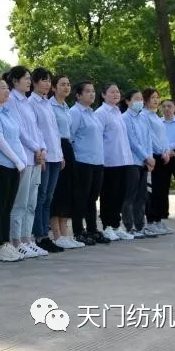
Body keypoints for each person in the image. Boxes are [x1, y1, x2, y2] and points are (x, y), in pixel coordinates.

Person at [0, 77, 28, 262]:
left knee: (7, 206)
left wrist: (22, 160)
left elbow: (16, 139)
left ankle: (5, 242)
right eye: (2, 88)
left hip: (12, 166)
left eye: (8, 88)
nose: (7, 91)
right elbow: (0, 141)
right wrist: (18, 161)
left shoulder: (7, 112)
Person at [5, 66, 46, 258]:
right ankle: (16, 240)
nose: (29, 81)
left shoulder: (27, 102)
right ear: (15, 81)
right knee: (20, 202)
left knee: (31, 202)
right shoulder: (12, 100)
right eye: (26, 78)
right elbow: (19, 131)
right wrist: (36, 148)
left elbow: (37, 129)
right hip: (24, 157)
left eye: (30, 78)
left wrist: (42, 149)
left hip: (36, 157)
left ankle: (27, 239)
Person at [28, 68, 64, 254]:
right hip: (43, 156)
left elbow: (54, 131)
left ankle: (45, 234)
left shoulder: (47, 103)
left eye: (49, 81)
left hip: (55, 155)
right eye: (44, 80)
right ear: (34, 82)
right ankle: (39, 235)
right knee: (40, 197)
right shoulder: (31, 103)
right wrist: (40, 153)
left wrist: (61, 154)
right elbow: (35, 131)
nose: (48, 84)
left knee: (48, 198)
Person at [95, 82, 134, 241]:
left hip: (123, 160)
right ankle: (107, 226)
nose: (115, 94)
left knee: (120, 195)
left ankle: (116, 225)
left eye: (117, 92)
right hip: (109, 161)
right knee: (108, 195)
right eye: (112, 92)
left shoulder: (118, 112)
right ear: (103, 95)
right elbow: (98, 138)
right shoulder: (101, 113)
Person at [48, 75, 83, 249]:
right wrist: (59, 152)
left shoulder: (66, 107)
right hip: (57, 146)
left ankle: (65, 233)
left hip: (68, 147)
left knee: (68, 190)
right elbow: (52, 132)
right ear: (54, 87)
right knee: (58, 191)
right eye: (62, 84)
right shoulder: (50, 105)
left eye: (68, 84)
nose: (66, 87)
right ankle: (57, 234)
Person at [69, 81, 106, 246]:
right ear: (78, 95)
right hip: (82, 161)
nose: (92, 94)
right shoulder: (75, 112)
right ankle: (78, 231)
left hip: (97, 161)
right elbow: (70, 136)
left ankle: (92, 229)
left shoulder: (92, 113)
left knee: (92, 198)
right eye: (87, 91)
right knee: (81, 197)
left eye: (93, 91)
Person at [121, 89, 154, 238]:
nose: (139, 102)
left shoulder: (143, 118)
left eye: (141, 99)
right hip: (132, 161)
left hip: (144, 162)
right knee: (130, 195)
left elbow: (148, 139)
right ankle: (129, 226)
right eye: (136, 99)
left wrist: (150, 158)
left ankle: (140, 225)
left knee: (142, 195)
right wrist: (146, 157)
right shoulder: (125, 118)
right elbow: (132, 141)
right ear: (128, 101)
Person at [146, 95, 175, 234]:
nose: (155, 100)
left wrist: (166, 151)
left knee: (161, 191)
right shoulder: (145, 116)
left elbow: (163, 138)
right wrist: (160, 151)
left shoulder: (156, 117)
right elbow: (150, 138)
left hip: (163, 156)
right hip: (154, 156)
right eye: (152, 97)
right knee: (153, 192)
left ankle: (158, 220)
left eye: (157, 97)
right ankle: (150, 221)